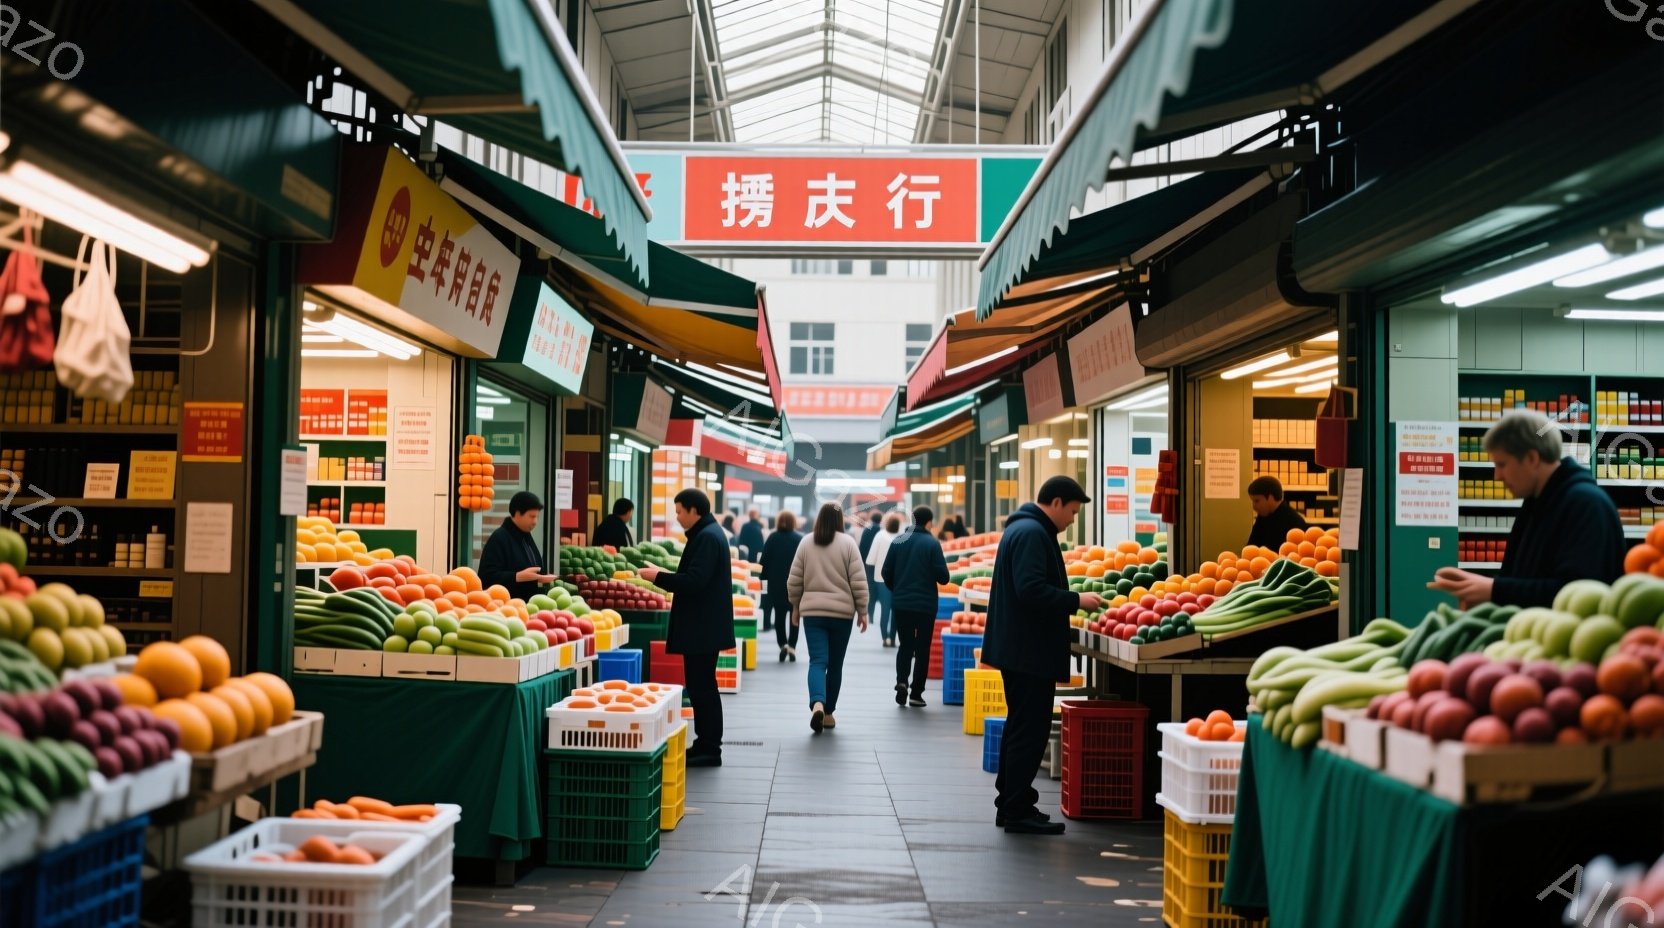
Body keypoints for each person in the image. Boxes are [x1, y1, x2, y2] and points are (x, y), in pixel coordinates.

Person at [982, 476, 1105, 835]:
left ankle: (1011, 802)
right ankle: (1017, 807)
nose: (1072, 519)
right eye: (1072, 510)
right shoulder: (1033, 534)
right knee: (1029, 729)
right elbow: (1031, 589)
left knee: (1021, 725)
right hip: (1028, 651)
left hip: (1020, 649)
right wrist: (1075, 600)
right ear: (1055, 502)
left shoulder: (1023, 530)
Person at [1430, 410, 1624, 608]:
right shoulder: (1536, 502)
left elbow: (1580, 594)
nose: (1496, 476)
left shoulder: (1586, 504)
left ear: (1532, 458)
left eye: (1502, 464)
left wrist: (1494, 590)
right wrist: (1479, 590)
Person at [638, 489, 735, 767]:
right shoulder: (709, 533)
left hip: (702, 628)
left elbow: (695, 581)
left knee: (702, 686)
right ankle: (704, 743)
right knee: (701, 684)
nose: (678, 516)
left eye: (680, 511)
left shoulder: (706, 537)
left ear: (695, 511)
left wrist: (658, 576)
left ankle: (709, 747)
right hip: (704, 626)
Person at [787, 502, 869, 734]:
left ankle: (818, 704)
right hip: (842, 615)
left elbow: (794, 580)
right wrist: (862, 610)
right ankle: (829, 713)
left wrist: (796, 606)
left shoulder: (806, 542)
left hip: (813, 613)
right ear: (840, 520)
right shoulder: (848, 544)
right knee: (835, 665)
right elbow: (858, 580)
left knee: (817, 661)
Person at [882, 506, 950, 707]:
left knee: (905, 645)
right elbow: (944, 578)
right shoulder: (932, 544)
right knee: (922, 649)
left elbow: (886, 572)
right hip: (925, 606)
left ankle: (901, 681)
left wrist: (898, 589)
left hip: (902, 604)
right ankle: (916, 693)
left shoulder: (899, 541)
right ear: (929, 522)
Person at [477, 492, 555, 602]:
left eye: (537, 517)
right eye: (531, 516)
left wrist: (540, 578)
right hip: (506, 608)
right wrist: (517, 577)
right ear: (517, 514)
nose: (535, 522)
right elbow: (486, 577)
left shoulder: (526, 537)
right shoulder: (499, 538)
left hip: (529, 607)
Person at [760, 510, 803, 662]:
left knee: (779, 615)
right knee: (795, 615)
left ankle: (782, 644)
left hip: (776, 583)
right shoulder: (799, 539)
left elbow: (763, 561)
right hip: (796, 583)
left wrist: (763, 579)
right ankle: (792, 646)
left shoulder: (772, 538)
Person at [866, 513, 903, 647]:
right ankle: (893, 638)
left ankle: (884, 637)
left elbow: (870, 559)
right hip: (898, 580)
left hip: (881, 578)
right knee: (896, 610)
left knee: (885, 609)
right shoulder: (902, 538)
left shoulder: (880, 536)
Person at [1245, 477, 1308, 551]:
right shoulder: (1262, 517)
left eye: (1257, 501)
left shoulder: (1295, 522)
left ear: (1270, 497)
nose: (1254, 507)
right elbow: (1251, 547)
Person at [858, 511, 884, 635]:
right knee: (878, 586)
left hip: (868, 564)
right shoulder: (882, 531)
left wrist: (862, 562)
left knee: (870, 588)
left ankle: (871, 614)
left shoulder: (867, 530)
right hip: (880, 563)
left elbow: (862, 547)